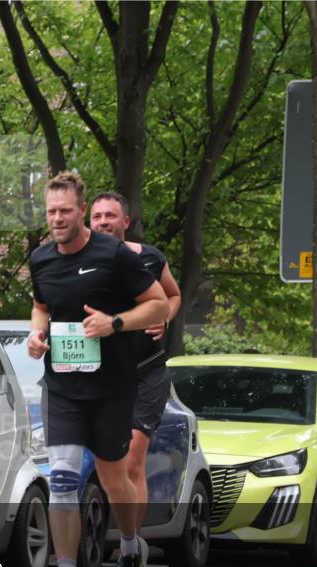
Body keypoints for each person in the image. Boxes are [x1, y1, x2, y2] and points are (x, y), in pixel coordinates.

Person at [28, 172, 168, 567]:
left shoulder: (112, 254)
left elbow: (160, 302)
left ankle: (130, 550)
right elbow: (41, 305)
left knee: (114, 479)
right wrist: (36, 335)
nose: (56, 219)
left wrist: (116, 323)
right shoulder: (41, 259)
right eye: (50, 211)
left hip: (111, 386)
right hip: (64, 386)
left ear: (81, 210)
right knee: (64, 478)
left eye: (65, 211)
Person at [89, 192, 182, 540]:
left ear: (125, 222)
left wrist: (165, 318)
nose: (103, 222)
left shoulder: (150, 259)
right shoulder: (76, 263)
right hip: (101, 375)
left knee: (131, 460)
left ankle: (132, 547)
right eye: (97, 217)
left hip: (146, 371)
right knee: (103, 464)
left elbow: (172, 295)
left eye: (110, 216)